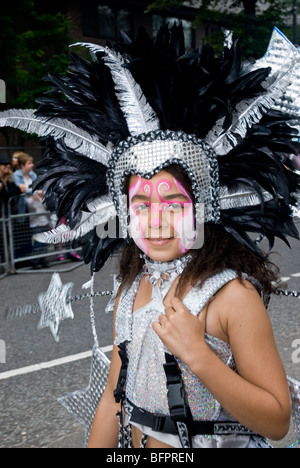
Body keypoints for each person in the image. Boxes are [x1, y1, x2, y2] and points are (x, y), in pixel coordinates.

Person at [1, 25, 299, 448]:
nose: (156, 221)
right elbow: (112, 398)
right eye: (141, 205)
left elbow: (276, 420)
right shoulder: (131, 288)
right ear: (122, 212)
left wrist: (199, 354)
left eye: (174, 205)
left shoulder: (231, 296)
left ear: (205, 209)